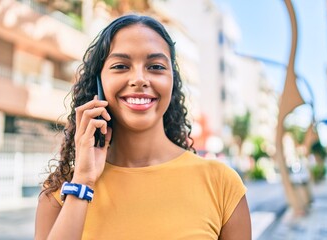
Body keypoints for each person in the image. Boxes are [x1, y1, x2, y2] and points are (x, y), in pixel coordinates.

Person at [35, 14, 251, 240]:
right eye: (120, 66)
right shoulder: (59, 195)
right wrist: (83, 182)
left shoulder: (222, 184)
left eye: (156, 66)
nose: (139, 79)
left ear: (172, 82)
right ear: (98, 83)